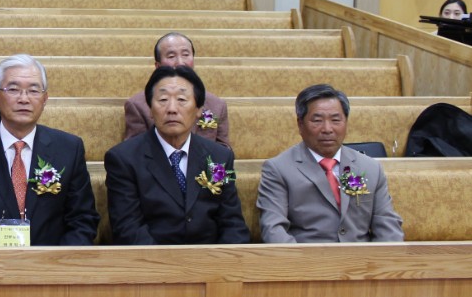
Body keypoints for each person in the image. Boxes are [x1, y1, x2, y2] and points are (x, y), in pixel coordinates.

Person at [0, 54, 99, 246]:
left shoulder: (69, 149)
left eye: (33, 90)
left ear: (45, 99)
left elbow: (83, 220)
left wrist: (56, 260)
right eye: (13, 89)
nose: (24, 99)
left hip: (52, 261)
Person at [105, 65, 249, 245]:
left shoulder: (220, 157)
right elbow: (128, 230)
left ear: (198, 109)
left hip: (211, 258)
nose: (172, 109)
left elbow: (233, 224)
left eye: (182, 99)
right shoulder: (123, 159)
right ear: (150, 108)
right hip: (150, 258)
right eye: (163, 99)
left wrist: (223, 259)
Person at [257, 84, 404, 243]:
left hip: (362, 257)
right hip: (308, 256)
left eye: (335, 120)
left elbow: (388, 227)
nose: (327, 129)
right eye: (317, 120)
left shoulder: (370, 167)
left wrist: (383, 258)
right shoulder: (278, 169)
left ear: (346, 122)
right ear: (300, 124)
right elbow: (273, 230)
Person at [123, 32, 230, 147]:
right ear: (158, 66)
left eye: (185, 54)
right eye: (171, 56)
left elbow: (223, 151)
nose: (180, 62)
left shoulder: (217, 105)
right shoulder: (137, 106)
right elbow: (134, 150)